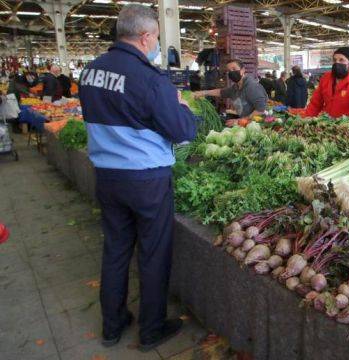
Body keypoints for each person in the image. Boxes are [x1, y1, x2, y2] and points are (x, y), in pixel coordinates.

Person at [78, 4, 197, 351]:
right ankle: (151, 329)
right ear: (146, 37)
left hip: (107, 176)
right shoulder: (150, 78)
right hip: (146, 179)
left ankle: (112, 325)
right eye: (158, 38)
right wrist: (185, 111)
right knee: (153, 252)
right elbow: (181, 131)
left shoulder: (90, 71)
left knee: (115, 248)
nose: (158, 44)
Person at [304, 47, 349, 124]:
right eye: (334, 60)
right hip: (327, 125)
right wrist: (306, 120)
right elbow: (315, 104)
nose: (337, 63)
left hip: (347, 129)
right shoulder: (326, 78)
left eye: (341, 60)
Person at [193, 59, 268, 122]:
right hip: (244, 122)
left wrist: (239, 121)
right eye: (229, 71)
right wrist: (203, 93)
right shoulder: (235, 87)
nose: (231, 72)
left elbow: (260, 110)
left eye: (234, 69)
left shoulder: (252, 86)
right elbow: (221, 92)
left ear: (243, 70)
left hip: (256, 124)